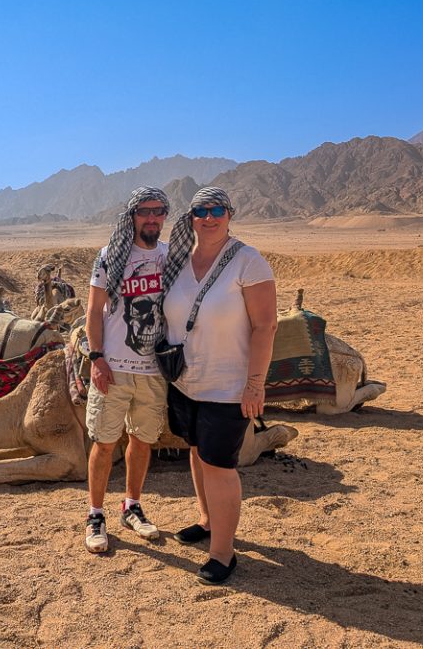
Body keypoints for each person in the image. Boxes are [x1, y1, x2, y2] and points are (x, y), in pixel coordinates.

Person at [160, 187, 277, 584]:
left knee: (219, 465)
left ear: (230, 214)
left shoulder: (248, 261)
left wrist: (255, 384)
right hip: (185, 382)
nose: (208, 217)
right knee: (197, 452)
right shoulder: (179, 260)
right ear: (190, 217)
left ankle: (223, 553)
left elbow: (266, 326)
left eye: (217, 210)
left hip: (229, 387)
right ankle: (208, 520)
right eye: (200, 210)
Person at [84, 186, 170, 553]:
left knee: (142, 440)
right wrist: (96, 357)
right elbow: (93, 310)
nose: (151, 217)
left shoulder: (171, 257)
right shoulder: (110, 256)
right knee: (104, 443)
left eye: (158, 211)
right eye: (144, 211)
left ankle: (132, 506)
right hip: (114, 368)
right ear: (132, 216)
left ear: (165, 216)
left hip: (153, 370)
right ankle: (95, 514)